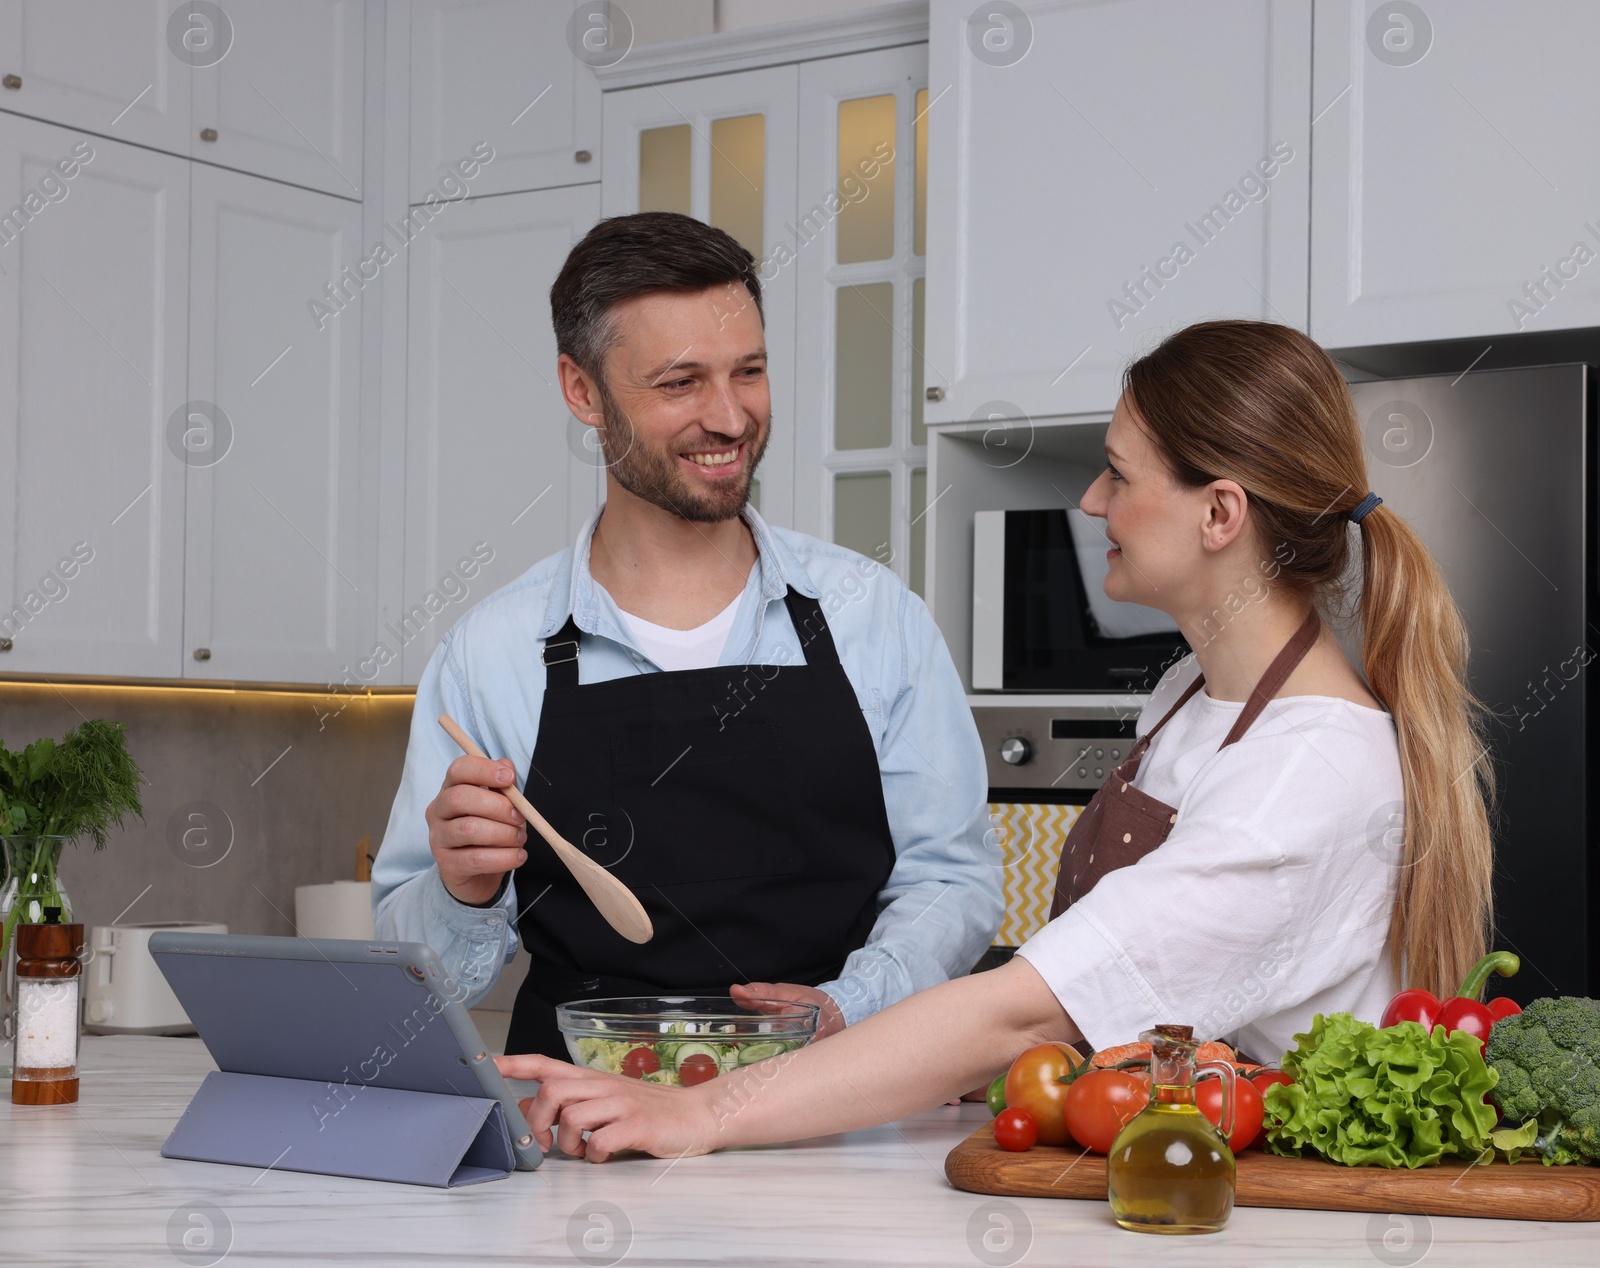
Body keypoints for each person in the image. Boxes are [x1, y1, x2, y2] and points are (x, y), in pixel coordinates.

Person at [497, 318, 1497, 1161]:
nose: (1092, 501)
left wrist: (702, 1112)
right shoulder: (1189, 693)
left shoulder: (1306, 772)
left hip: (1269, 1216)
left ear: (1219, 513)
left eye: (1116, 473)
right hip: (1173, 1174)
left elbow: (1027, 1007)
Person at [372, 212, 1002, 1060]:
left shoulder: (872, 615)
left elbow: (950, 881)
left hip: (835, 1103)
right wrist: (461, 890)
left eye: (749, 372)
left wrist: (850, 1002)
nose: (732, 417)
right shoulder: (491, 654)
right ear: (581, 390)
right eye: (680, 384)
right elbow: (413, 971)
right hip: (583, 1123)